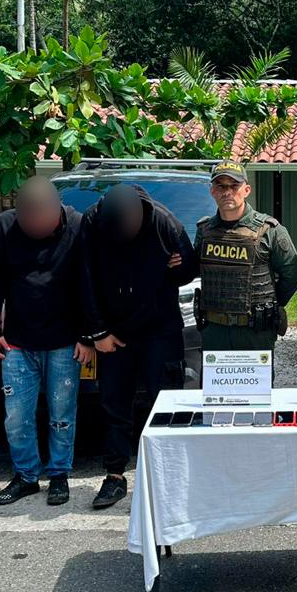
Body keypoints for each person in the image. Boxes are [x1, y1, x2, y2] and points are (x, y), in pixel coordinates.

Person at [0, 177, 98, 507]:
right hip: (18, 342)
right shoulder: (6, 227)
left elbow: (88, 284)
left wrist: (88, 337)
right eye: (27, 218)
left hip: (65, 343)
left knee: (62, 413)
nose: (34, 225)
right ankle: (26, 475)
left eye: (41, 218)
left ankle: (59, 473)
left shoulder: (77, 226)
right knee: (16, 416)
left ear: (56, 208)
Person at [83, 183, 197, 510]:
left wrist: (179, 266)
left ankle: (170, 477)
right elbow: (84, 278)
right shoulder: (93, 222)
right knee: (114, 406)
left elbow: (189, 269)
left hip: (159, 330)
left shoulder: (163, 221)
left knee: (167, 404)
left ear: (140, 216)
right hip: (114, 333)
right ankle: (115, 476)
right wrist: (97, 332)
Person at [193, 162, 297, 352]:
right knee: (216, 382)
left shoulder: (270, 230)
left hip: (255, 330)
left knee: (259, 382)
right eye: (221, 186)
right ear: (213, 192)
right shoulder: (204, 230)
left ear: (247, 190)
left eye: (234, 186)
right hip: (214, 331)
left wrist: (271, 304)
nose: (227, 192)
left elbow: (292, 275)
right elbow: (195, 268)